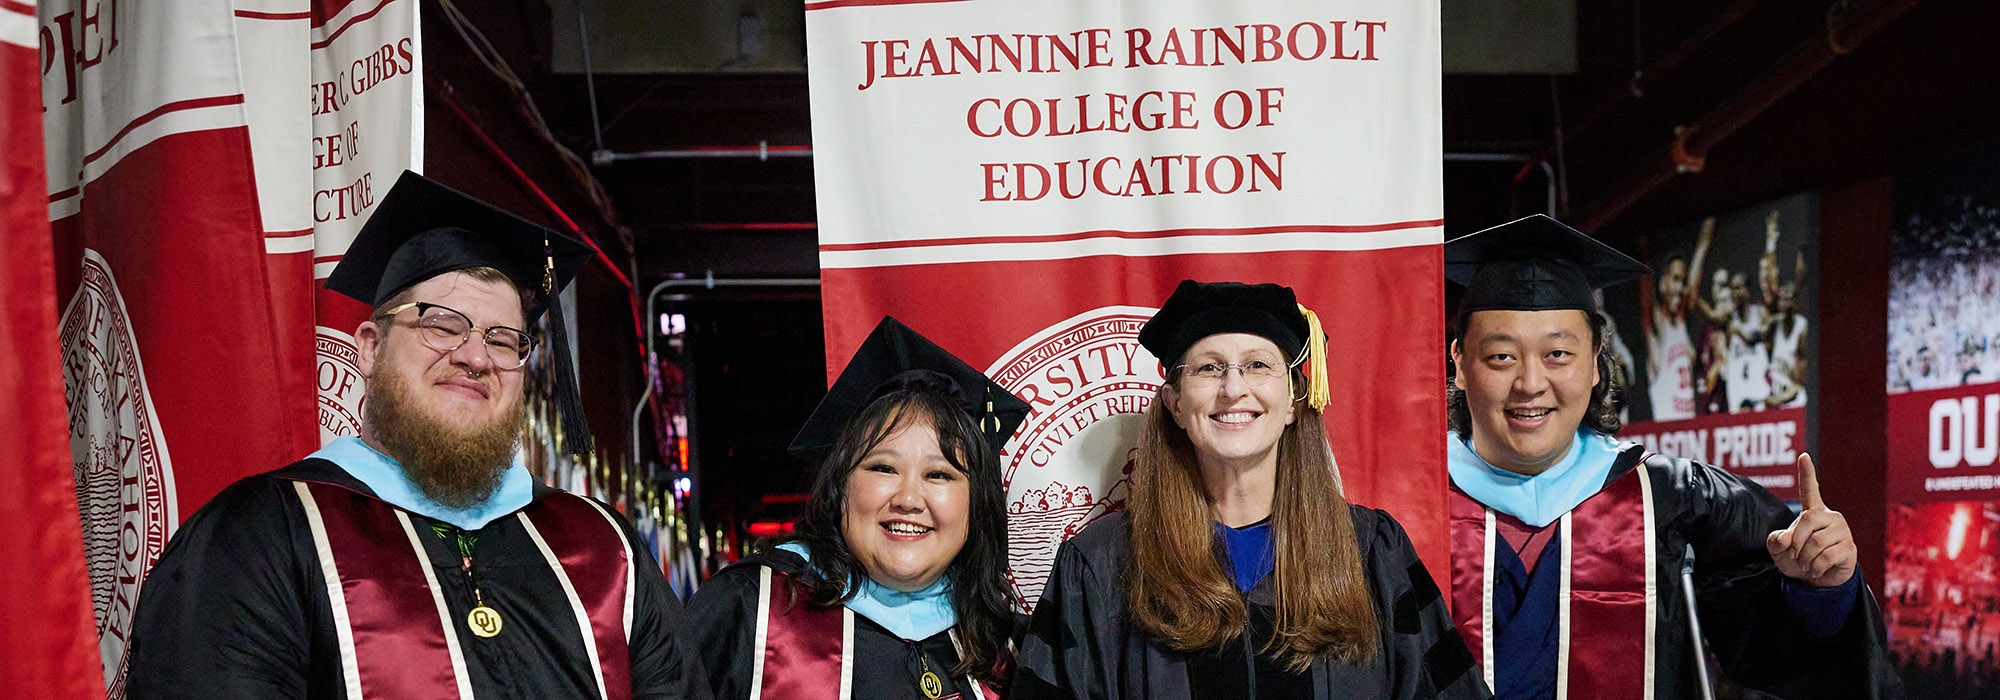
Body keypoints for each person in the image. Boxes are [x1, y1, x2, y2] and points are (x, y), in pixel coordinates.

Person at [126, 172, 709, 699]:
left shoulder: (603, 549)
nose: (476, 355)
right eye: (441, 325)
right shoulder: (263, 532)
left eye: (505, 339)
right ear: (371, 350)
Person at [1441, 214, 1900, 699]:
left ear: (1596, 362)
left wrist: (1821, 591)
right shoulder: (1400, 516)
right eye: (1501, 357)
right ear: (1461, 364)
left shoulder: (1681, 501)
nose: (1531, 384)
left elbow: (1784, 660)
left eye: (1558, 355)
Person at [1014, 281, 1488, 700]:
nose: (1234, 388)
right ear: (1175, 404)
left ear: (1293, 402)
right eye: (1209, 368)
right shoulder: (1101, 563)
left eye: (1258, 365)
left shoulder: (1372, 552)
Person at [682, 317, 1028, 700]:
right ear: (840, 485)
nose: (909, 499)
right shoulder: (750, 609)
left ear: (975, 503)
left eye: (939, 475)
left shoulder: (1005, 647)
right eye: (883, 468)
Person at [1639, 217, 1712, 423]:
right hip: (1666, 436)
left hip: (1690, 433)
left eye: (1683, 280)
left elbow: (1702, 249)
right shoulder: (1656, 327)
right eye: (1675, 279)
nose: (1680, 288)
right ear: (1663, 283)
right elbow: (1645, 279)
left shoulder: (1683, 325)